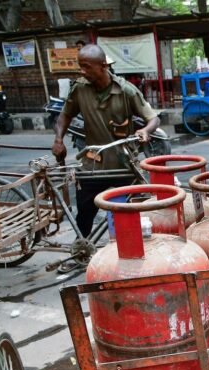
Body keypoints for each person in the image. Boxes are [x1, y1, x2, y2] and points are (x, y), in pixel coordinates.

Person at [51, 44, 159, 272]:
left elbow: (152, 118)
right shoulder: (80, 89)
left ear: (102, 66)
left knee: (132, 210)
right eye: (80, 66)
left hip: (123, 163)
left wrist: (145, 131)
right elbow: (64, 116)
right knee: (85, 210)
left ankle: (132, 252)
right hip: (93, 163)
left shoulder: (126, 90)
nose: (82, 71)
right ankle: (80, 251)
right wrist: (59, 139)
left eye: (86, 67)